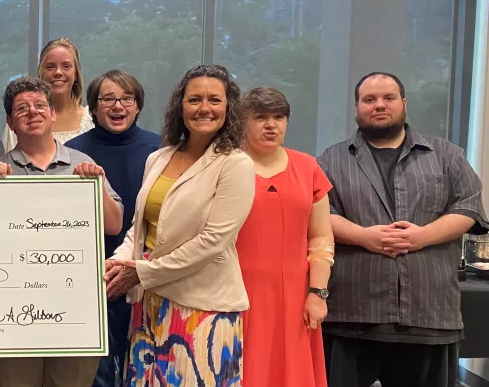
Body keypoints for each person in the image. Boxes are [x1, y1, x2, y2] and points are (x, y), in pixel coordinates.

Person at [317, 72, 488, 387]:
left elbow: (469, 207)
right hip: (351, 316)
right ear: (357, 107)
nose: (379, 105)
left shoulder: (447, 155)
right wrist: (365, 237)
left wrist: (422, 236)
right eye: (369, 99)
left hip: (430, 316)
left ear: (404, 103)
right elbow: (319, 213)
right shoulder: (332, 159)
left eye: (388, 98)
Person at [106, 64, 255, 387]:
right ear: (180, 106)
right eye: (194, 99)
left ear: (229, 108)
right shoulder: (158, 158)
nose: (204, 108)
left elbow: (213, 241)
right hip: (149, 308)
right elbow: (139, 228)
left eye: (214, 100)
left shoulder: (236, 164)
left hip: (204, 312)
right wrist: (118, 262)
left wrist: (142, 271)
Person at [0, 76, 124, 387]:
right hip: (11, 314)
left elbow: (114, 225)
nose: (32, 112)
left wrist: (96, 185)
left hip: (74, 309)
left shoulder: (83, 164)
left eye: (39, 106)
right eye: (21, 108)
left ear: (53, 113)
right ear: (9, 121)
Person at [63, 69, 159, 387]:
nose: (118, 106)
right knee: (96, 375)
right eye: (108, 99)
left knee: (144, 369)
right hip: (91, 278)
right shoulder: (73, 153)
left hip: (145, 275)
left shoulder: (161, 152)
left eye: (127, 98)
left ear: (138, 105)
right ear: (93, 107)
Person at [234, 86, 334, 387]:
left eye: (279, 117)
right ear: (242, 121)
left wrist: (318, 293)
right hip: (236, 294)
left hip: (297, 299)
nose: (271, 125)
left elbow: (320, 238)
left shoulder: (308, 167)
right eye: (261, 117)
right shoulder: (226, 166)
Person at [3, 38, 92, 151]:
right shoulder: (20, 120)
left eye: (66, 66)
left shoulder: (92, 121)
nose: (58, 72)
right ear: (41, 73)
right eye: (50, 67)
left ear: (76, 74)